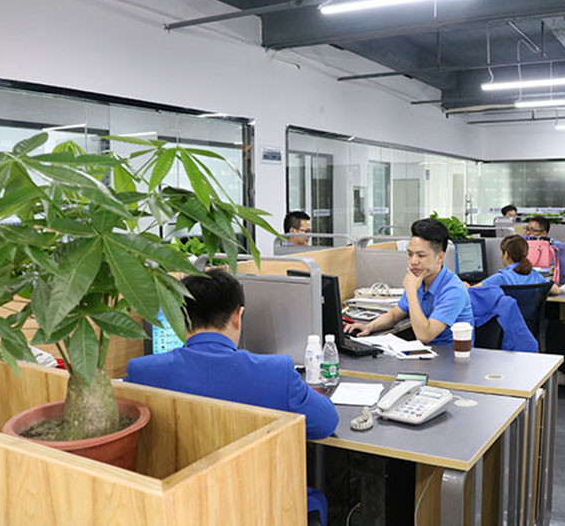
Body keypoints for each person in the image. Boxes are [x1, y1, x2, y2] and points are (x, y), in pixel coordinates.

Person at [125, 269, 338, 525]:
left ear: (180, 317)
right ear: (238, 316)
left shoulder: (142, 373)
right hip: (261, 510)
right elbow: (326, 423)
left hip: (181, 510)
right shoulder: (276, 372)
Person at [344, 218, 473, 345]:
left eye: (421, 255)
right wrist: (369, 327)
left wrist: (411, 291)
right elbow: (394, 315)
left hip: (450, 355)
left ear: (440, 257)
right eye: (410, 254)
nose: (413, 261)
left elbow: (425, 336)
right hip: (426, 352)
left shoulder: (453, 290)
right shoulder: (420, 280)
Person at [472, 235, 560, 295]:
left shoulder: (501, 278)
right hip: (530, 317)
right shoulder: (534, 275)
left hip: (507, 317)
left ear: (506, 254)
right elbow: (556, 290)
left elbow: (472, 290)